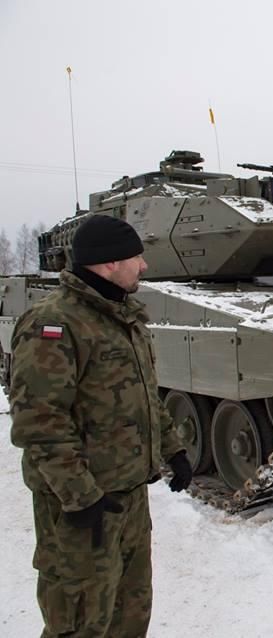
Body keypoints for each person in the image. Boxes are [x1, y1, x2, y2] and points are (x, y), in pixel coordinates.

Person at [9, 215, 191, 637]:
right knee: (80, 619)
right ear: (108, 263)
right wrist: (81, 496)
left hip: (127, 496)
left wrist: (174, 449)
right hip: (81, 505)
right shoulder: (54, 324)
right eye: (136, 258)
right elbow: (40, 422)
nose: (143, 266)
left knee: (131, 609)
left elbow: (143, 396)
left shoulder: (123, 318)